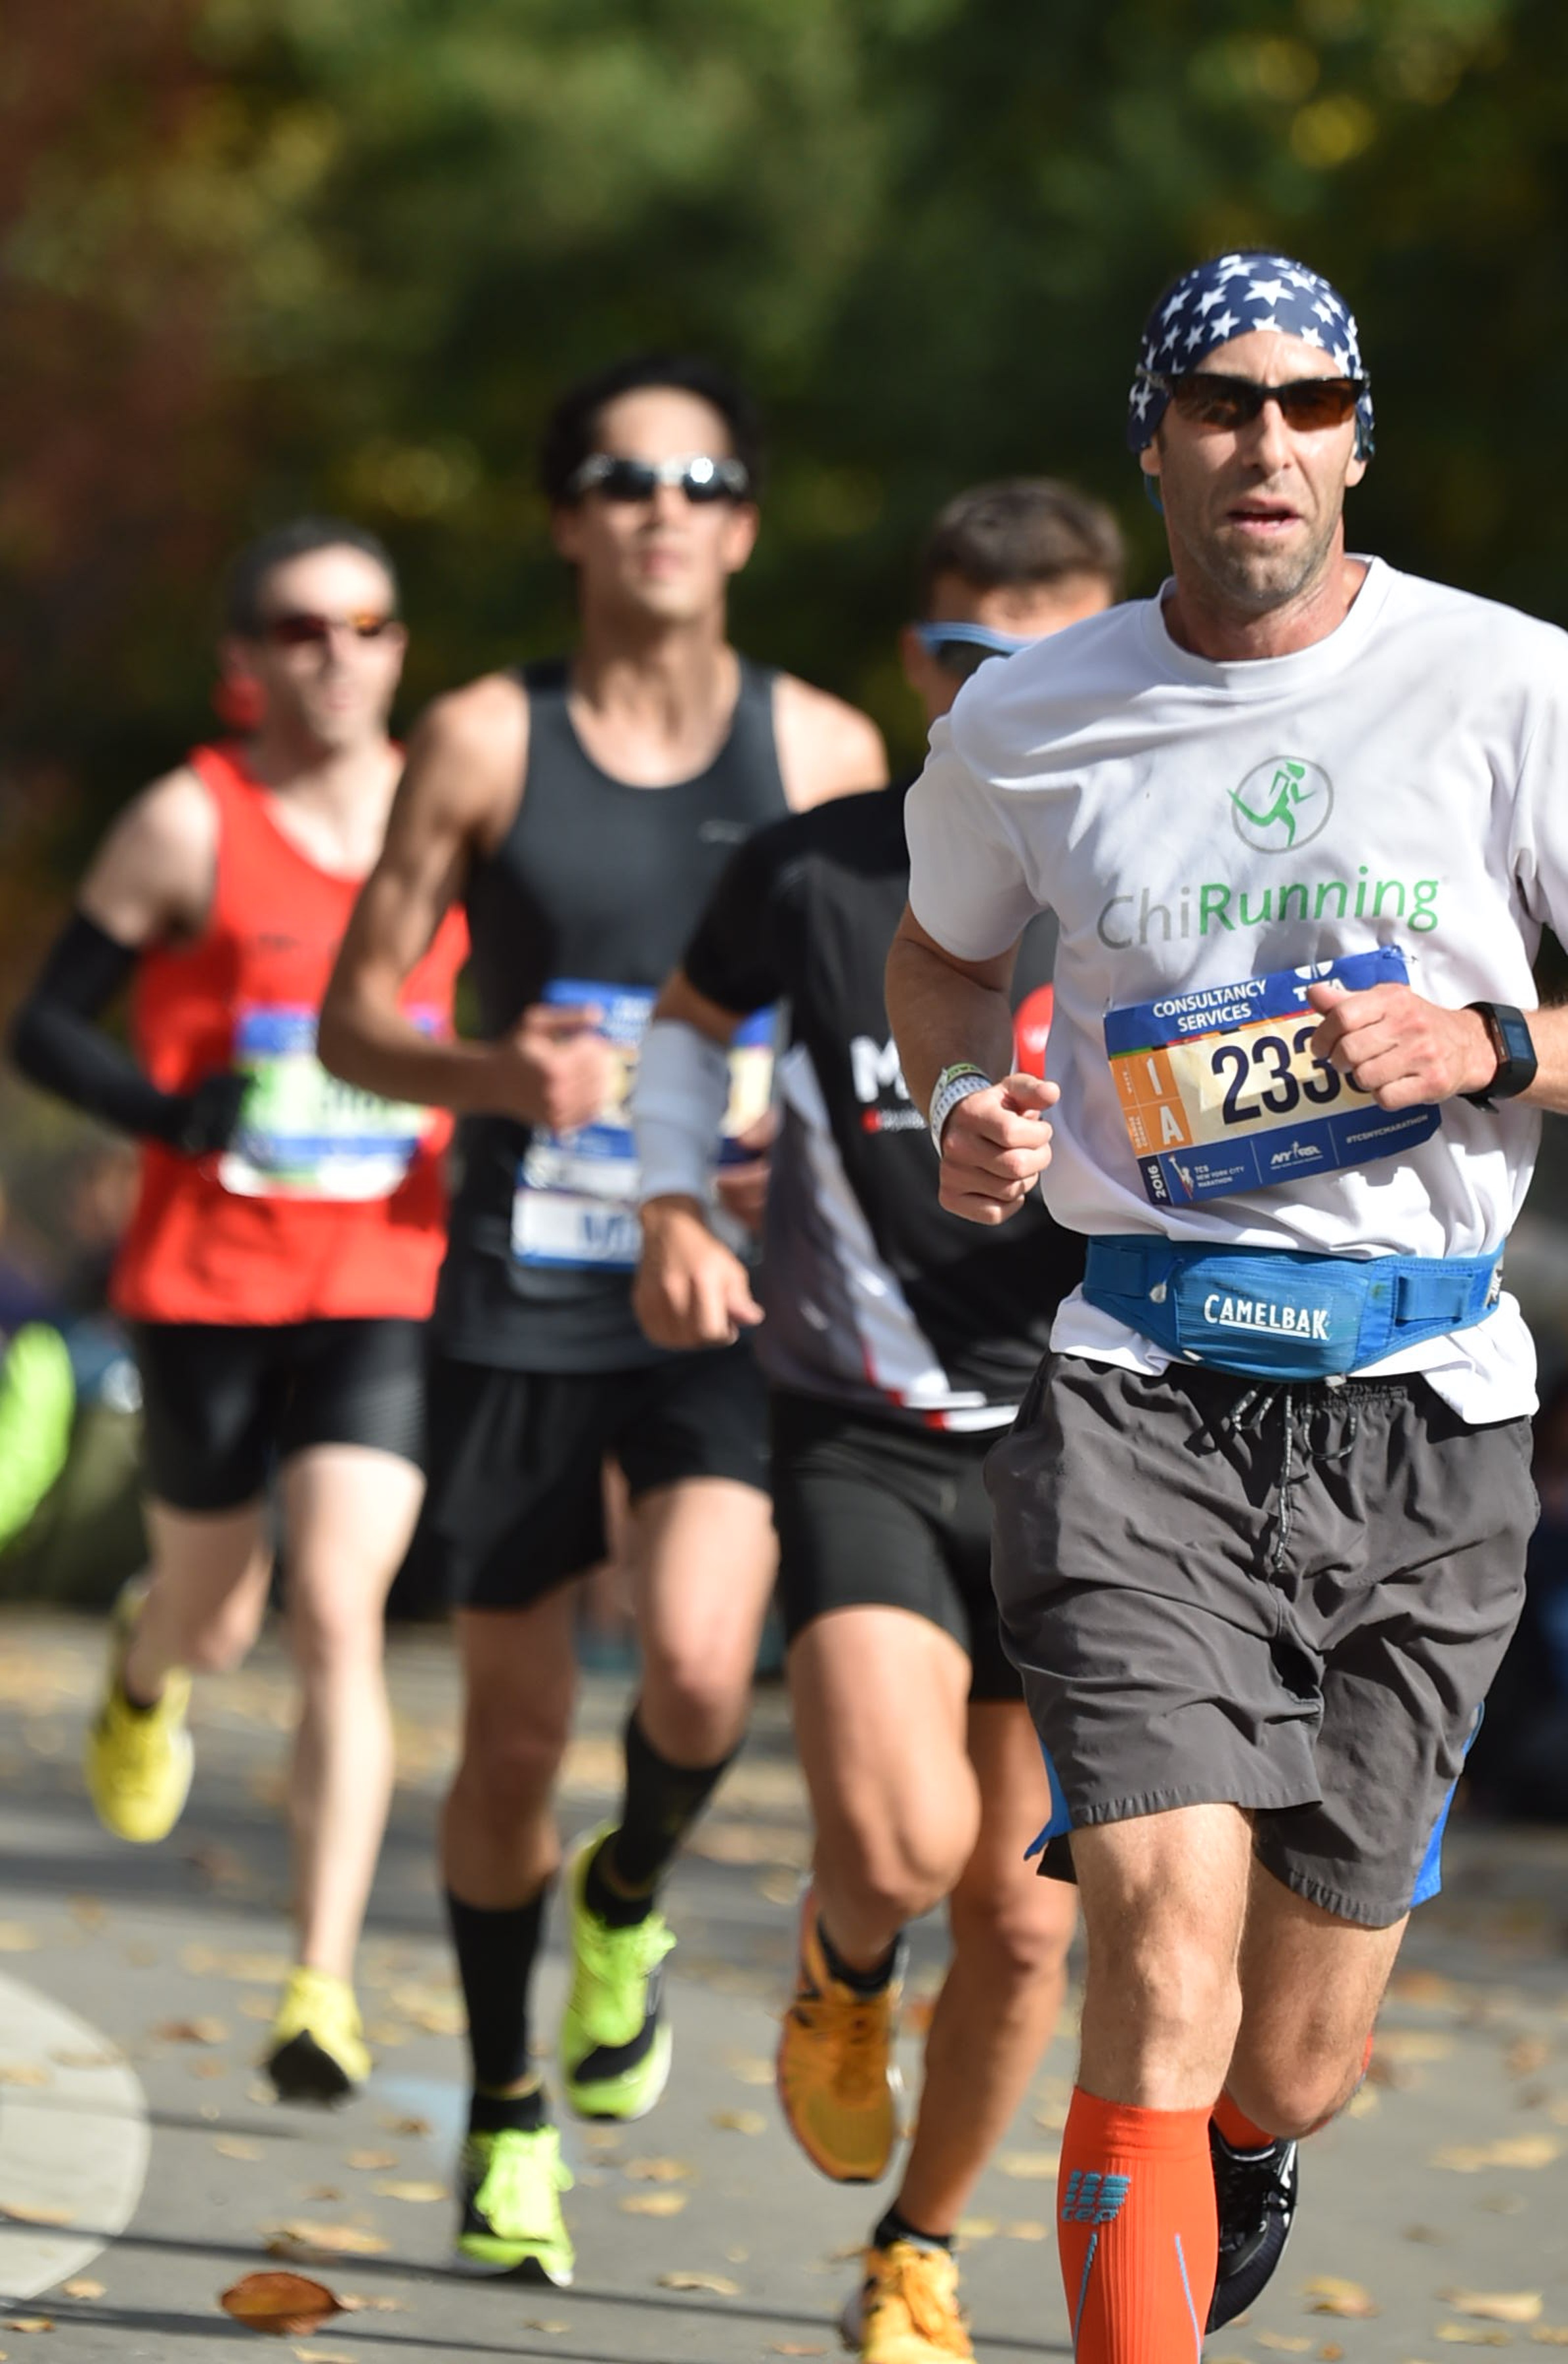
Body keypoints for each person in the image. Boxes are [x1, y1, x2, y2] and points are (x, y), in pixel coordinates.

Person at [886, 249, 1568, 2359]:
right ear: (1157, 442)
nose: (1260, 443)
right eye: (1216, 404)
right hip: (1143, 1390)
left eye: (1304, 404)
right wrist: (958, 1108)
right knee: (1157, 1961)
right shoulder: (1029, 713)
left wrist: (1488, 1048)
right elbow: (934, 962)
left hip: (1429, 1410)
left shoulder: (1514, 686)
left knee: (1287, 2055)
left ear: (1358, 439)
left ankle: (1250, 2152)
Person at [318, 351, 886, 2286]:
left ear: (743, 522)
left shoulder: (816, 749)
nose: (666, 510)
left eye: (705, 479)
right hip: (520, 1297)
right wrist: (499, 1080)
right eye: (627, 481)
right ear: (571, 517)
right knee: (503, 1744)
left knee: (709, 1673)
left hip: (724, 1288)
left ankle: (628, 1892)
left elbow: (886, 1012)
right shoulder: (483, 737)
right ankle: (500, 2114)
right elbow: (349, 1016)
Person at [628, 479, 1120, 2362]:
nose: (987, 679)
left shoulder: (1152, 883)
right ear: (914, 665)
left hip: (1089, 1447)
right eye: (953, 649)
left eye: (1033, 648)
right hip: (861, 1424)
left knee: (1020, 1926)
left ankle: (913, 2247)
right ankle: (844, 1963)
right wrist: (674, 1204)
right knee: (908, 1851)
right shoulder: (819, 869)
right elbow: (685, 1028)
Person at [9, 517, 468, 2101]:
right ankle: (148, 1672)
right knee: (216, 1606)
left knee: (339, 1606)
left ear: (399, 648)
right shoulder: (185, 823)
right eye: (296, 628)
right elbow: (45, 1030)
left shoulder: (460, 814)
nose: (332, 654)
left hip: (382, 1277)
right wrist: (170, 1113)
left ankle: (322, 1981)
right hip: (208, 1282)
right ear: (245, 660)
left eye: (364, 624)